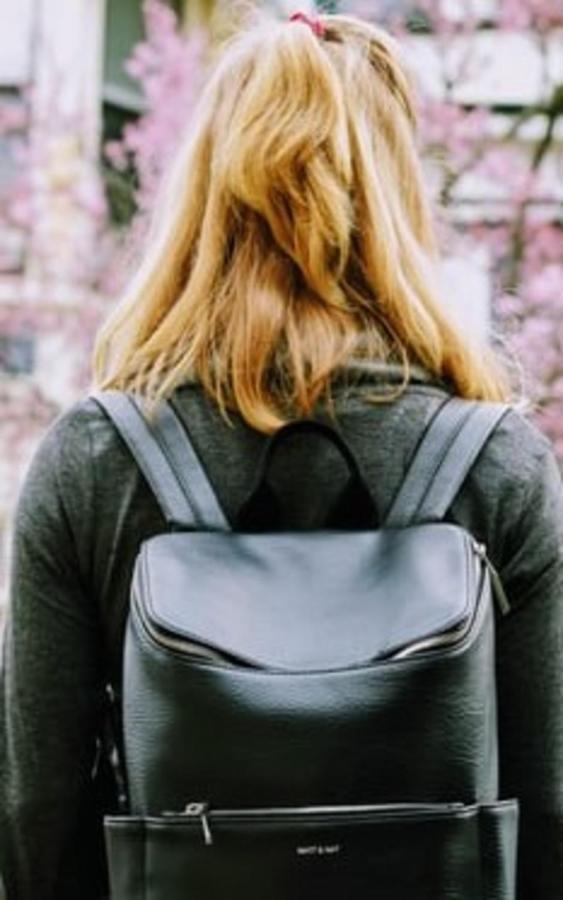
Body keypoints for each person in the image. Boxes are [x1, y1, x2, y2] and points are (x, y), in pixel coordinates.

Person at [0, 10, 561, 900]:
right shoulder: (501, 467)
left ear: (201, 191)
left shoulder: (95, 463)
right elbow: (549, 811)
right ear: (397, 196)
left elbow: (35, 813)